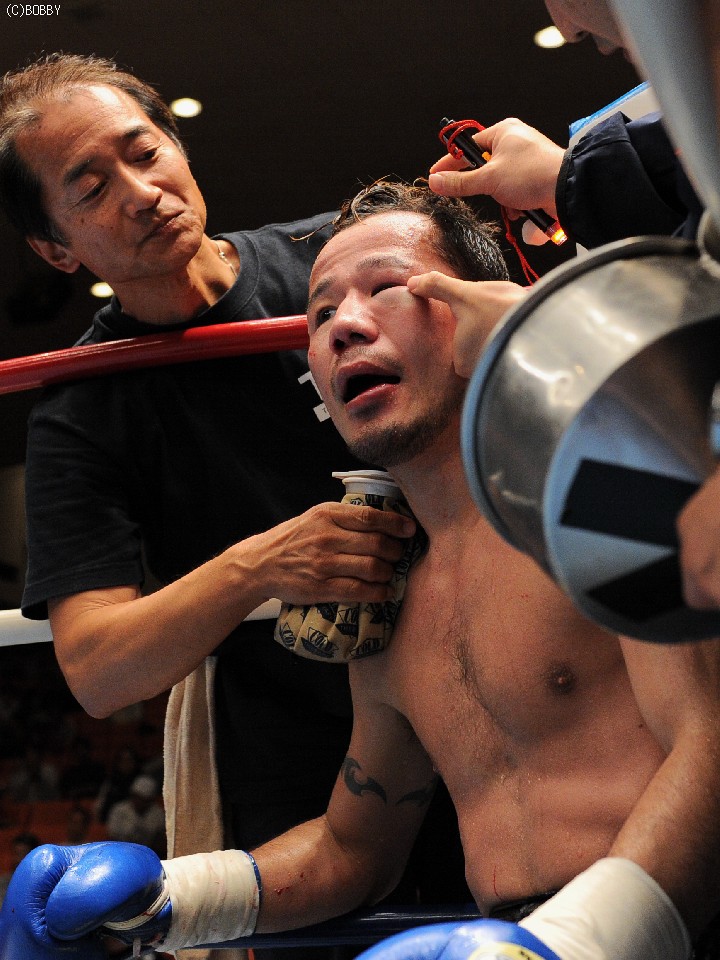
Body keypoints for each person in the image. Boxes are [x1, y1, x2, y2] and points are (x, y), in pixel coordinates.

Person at [3, 182, 720, 960]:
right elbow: (354, 848)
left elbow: (711, 744)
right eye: (319, 315)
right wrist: (169, 902)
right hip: (514, 940)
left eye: (386, 289)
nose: (345, 325)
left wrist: (570, 946)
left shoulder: (597, 503)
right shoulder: (387, 594)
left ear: (478, 311)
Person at [0, 53, 470, 960]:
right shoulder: (81, 410)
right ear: (56, 249)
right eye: (92, 188)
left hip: (485, 678)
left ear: (177, 146)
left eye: (145, 152)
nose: (142, 194)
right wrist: (260, 566)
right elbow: (97, 670)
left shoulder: (335, 270)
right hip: (299, 757)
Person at [105, 775, 166, 856]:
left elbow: (160, 841)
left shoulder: (158, 814)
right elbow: (112, 837)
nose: (139, 802)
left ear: (150, 800)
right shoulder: (119, 810)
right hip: (120, 852)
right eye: (137, 797)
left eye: (143, 799)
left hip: (148, 854)